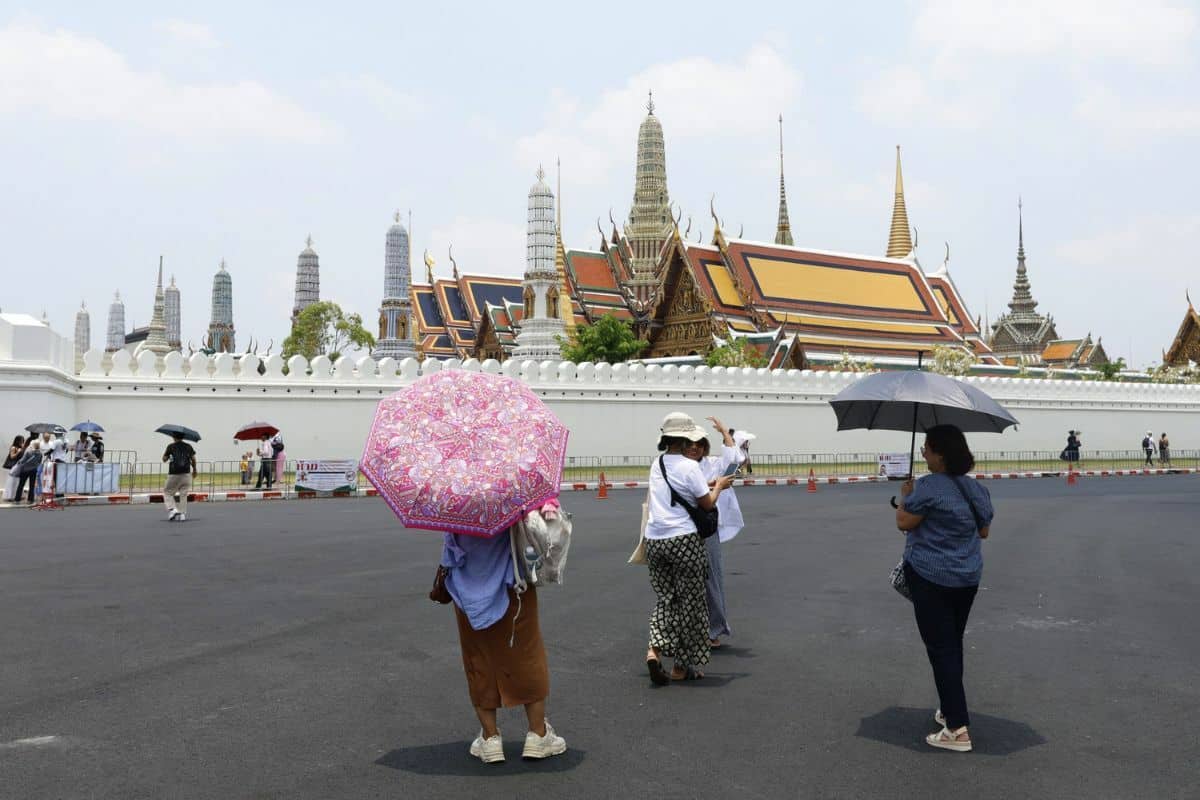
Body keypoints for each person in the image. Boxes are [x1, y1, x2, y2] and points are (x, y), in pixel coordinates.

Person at [895, 425, 994, 752]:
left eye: (926, 448)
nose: (922, 452)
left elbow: (904, 523)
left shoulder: (927, 488)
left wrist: (905, 498)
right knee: (951, 643)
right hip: (966, 577)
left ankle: (957, 729)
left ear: (940, 453)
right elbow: (983, 531)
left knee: (941, 648)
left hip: (931, 577)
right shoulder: (975, 489)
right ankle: (950, 708)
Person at [441, 511, 567, 764]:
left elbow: (450, 553)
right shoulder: (511, 495)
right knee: (527, 656)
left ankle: (490, 739)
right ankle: (537, 734)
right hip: (513, 586)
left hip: (467, 591)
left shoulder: (455, 502)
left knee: (478, 660)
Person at [643, 412, 735, 685]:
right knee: (691, 605)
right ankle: (681, 668)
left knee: (666, 599)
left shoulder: (657, 464)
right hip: (684, 540)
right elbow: (707, 504)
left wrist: (707, 485)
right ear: (684, 439)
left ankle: (653, 650)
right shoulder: (689, 467)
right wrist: (718, 486)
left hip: (655, 540)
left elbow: (679, 492)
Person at [690, 417, 745, 648]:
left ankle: (713, 629)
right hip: (683, 528)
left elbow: (734, 461)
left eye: (699, 444)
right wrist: (716, 485)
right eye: (690, 444)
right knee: (687, 583)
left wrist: (725, 432)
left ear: (705, 446)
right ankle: (688, 628)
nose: (695, 448)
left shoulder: (711, 463)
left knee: (712, 579)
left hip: (706, 528)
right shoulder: (678, 466)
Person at [162, 433, 197, 521]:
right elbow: (193, 459)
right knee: (183, 494)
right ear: (183, 437)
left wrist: (169, 457)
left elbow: (164, 459)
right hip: (186, 473)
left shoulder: (171, 446)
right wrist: (195, 469)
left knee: (167, 492)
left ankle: (173, 509)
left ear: (174, 437)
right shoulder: (188, 446)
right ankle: (182, 515)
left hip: (174, 473)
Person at [12, 438, 44, 506]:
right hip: (33, 471)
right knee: (32, 486)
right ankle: (30, 500)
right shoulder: (40, 454)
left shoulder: (28, 452)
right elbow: (39, 462)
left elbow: (22, 461)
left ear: (33, 445)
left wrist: (19, 462)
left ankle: (17, 500)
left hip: (25, 470)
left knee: (21, 485)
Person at [3, 435, 26, 501]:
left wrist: (22, 450)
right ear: (17, 441)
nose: (22, 442)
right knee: (12, 481)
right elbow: (12, 457)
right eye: (21, 441)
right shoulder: (13, 448)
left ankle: (18, 495)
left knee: (18, 482)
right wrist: (18, 452)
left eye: (22, 441)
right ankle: (10, 496)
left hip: (19, 466)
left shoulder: (21, 447)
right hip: (14, 467)